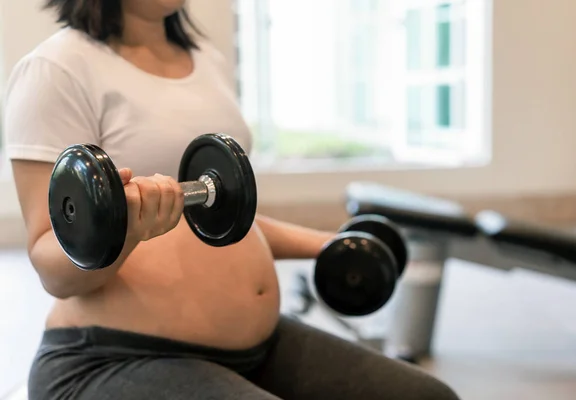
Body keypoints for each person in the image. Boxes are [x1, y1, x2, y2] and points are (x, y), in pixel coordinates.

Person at [3, 1, 460, 399]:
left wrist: (324, 244)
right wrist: (129, 234)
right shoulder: (57, 69)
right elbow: (52, 264)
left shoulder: (206, 60)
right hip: (112, 356)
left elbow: (225, 212)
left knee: (426, 395)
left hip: (254, 345)